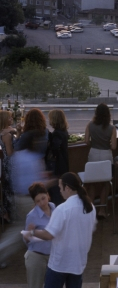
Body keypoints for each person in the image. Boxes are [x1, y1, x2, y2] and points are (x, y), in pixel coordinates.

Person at [27, 172, 97, 288]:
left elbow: (49, 235)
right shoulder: (90, 207)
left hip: (60, 264)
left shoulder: (62, 209)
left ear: (67, 188)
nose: (60, 191)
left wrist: (32, 232)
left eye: (60, 188)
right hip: (78, 263)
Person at [0, 129, 47, 267]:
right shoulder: (35, 158)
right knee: (22, 231)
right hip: (29, 199)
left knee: (19, 229)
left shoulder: (17, 157)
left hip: (18, 197)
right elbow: (38, 181)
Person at [84, 103, 117, 219]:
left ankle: (91, 210)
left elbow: (86, 141)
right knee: (105, 183)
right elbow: (113, 146)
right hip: (106, 155)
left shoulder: (90, 125)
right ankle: (102, 210)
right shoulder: (112, 128)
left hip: (93, 153)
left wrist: (95, 143)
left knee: (92, 183)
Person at [24, 183, 55, 288]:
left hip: (52, 256)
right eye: (38, 201)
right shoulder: (31, 216)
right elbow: (26, 241)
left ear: (48, 195)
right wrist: (27, 235)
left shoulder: (54, 208)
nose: (42, 203)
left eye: (43, 198)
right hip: (37, 257)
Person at [46, 109, 69, 206]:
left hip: (56, 164)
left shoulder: (57, 133)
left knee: (55, 190)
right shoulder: (64, 131)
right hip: (63, 162)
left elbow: (55, 147)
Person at [0, 110, 15, 224]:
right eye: (9, 118)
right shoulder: (7, 135)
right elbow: (10, 153)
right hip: (7, 165)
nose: (12, 120)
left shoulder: (2, 132)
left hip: (1, 165)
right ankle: (6, 213)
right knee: (8, 189)